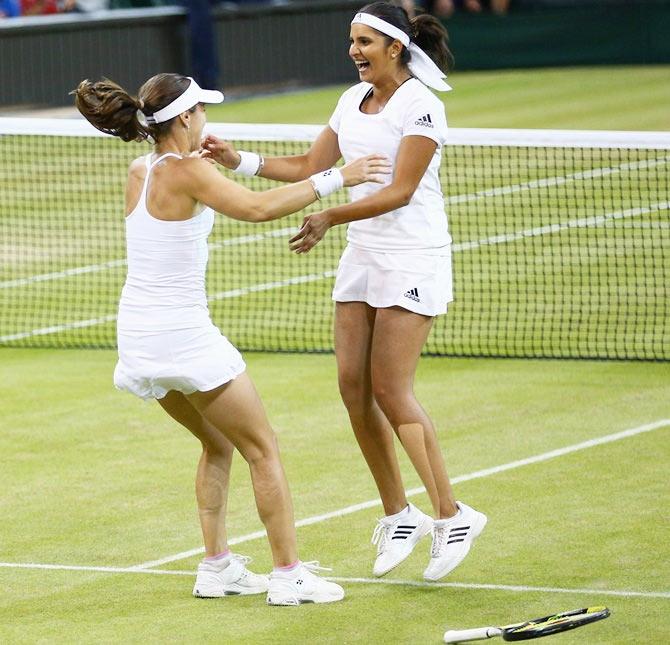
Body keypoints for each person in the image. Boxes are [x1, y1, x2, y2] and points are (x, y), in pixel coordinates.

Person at [72, 73, 389, 604]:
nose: (207, 122)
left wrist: (223, 159)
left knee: (216, 443)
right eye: (202, 113)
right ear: (185, 118)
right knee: (263, 449)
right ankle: (289, 576)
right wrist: (340, 176)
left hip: (138, 338)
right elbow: (257, 208)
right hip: (182, 335)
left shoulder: (141, 168)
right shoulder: (189, 170)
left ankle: (217, 566)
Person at [201, 1, 486, 582]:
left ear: (395, 48)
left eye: (364, 43)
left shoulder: (422, 107)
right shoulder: (350, 101)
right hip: (364, 256)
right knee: (354, 390)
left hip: (412, 255)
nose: (354, 51)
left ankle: (452, 515)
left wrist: (331, 216)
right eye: (351, 41)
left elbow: (403, 189)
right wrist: (239, 160)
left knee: (391, 389)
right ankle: (397, 513)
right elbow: (310, 162)